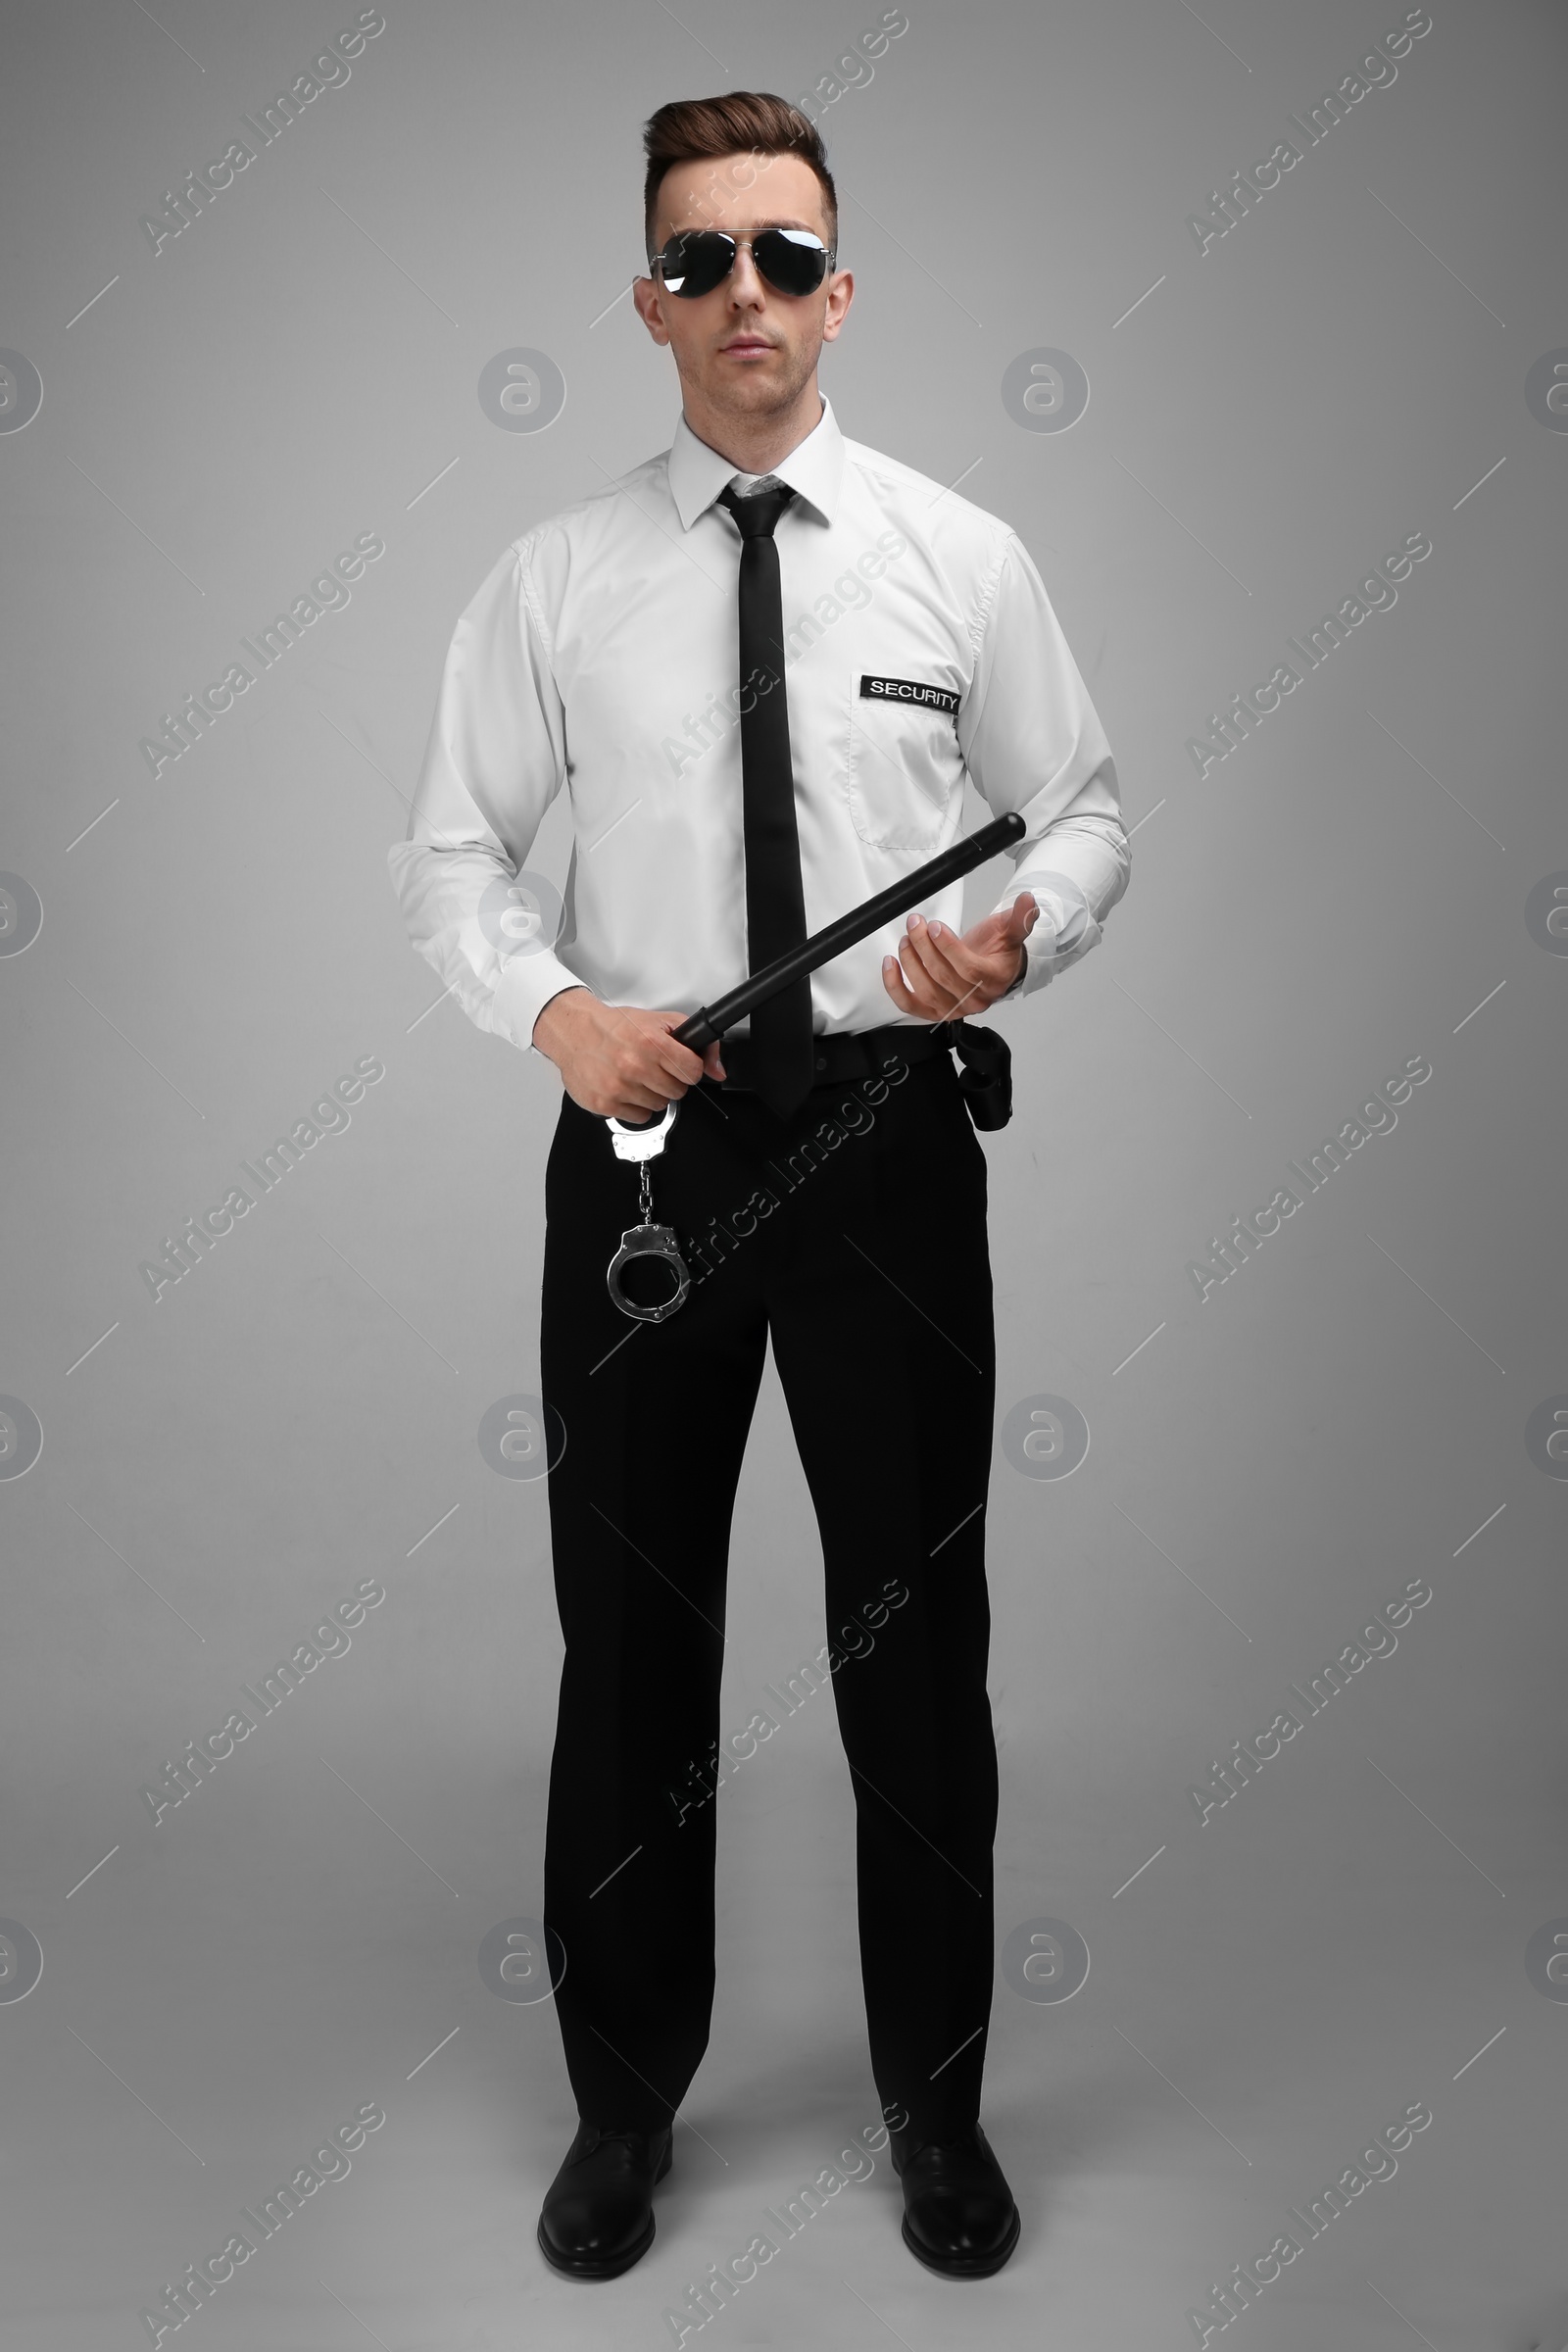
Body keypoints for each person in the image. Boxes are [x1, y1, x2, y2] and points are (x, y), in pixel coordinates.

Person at [388, 88, 1129, 2283]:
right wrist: (553, 1015)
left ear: (838, 283)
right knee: (628, 1654)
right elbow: (448, 857)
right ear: (644, 300)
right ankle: (622, 2114)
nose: (745, 298)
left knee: (914, 1655)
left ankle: (937, 2123)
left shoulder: (955, 553)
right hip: (642, 1149)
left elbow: (1079, 809)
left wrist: (1022, 936)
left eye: (783, 254)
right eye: (699, 259)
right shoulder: (552, 582)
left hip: (885, 1149)